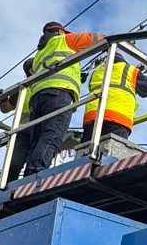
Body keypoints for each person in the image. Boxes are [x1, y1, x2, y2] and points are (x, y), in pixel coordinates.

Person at [10, 21, 103, 181]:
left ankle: (29, 175)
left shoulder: (40, 53)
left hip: (38, 97)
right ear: (60, 31)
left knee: (38, 140)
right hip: (59, 92)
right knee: (51, 136)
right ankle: (35, 175)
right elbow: (97, 38)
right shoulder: (62, 40)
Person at [82, 54, 147, 142]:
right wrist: (143, 76)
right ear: (123, 61)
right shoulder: (129, 69)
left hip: (92, 116)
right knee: (112, 151)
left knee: (86, 150)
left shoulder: (97, 72)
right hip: (118, 117)